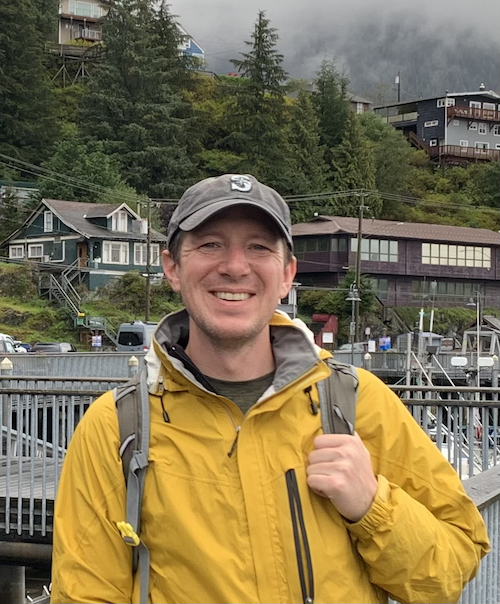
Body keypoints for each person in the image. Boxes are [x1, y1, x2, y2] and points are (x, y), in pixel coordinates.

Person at [51, 174, 489, 604]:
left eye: (259, 247)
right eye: (210, 244)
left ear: (286, 274)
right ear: (173, 267)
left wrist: (372, 507)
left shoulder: (359, 403)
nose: (235, 266)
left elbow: (451, 571)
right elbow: (85, 594)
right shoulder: (116, 428)